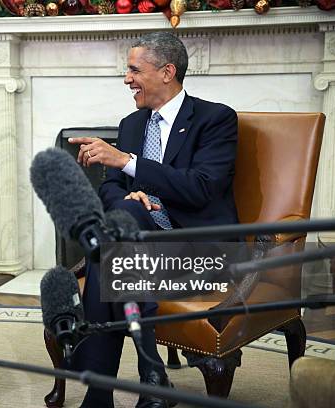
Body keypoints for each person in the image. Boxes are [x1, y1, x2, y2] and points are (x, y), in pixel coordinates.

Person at [69, 32, 239, 408]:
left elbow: (201, 189)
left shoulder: (216, 119)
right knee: (123, 224)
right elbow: (110, 189)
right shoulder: (132, 124)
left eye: (134, 70)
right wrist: (130, 196)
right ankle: (151, 381)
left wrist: (128, 163)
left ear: (167, 72)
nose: (126, 79)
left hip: (200, 252)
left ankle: (104, 392)